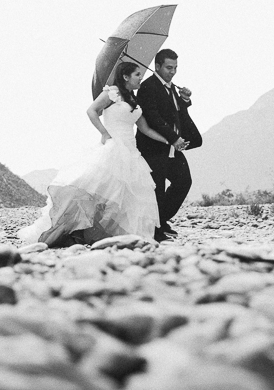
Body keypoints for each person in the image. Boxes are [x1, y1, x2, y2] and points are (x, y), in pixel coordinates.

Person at [18, 62, 169, 247]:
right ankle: (74, 229)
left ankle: (117, 234)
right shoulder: (111, 93)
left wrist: (169, 140)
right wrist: (104, 133)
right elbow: (91, 111)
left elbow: (144, 128)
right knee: (96, 188)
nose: (141, 78)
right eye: (138, 74)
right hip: (113, 146)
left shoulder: (133, 99)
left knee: (125, 195)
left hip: (131, 151)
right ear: (125, 77)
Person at [135, 48, 202, 242]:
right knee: (157, 188)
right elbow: (153, 117)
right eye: (168, 68)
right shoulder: (147, 87)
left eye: (175, 68)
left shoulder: (172, 87)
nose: (172, 72)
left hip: (171, 147)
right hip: (152, 147)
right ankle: (156, 230)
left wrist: (185, 99)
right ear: (157, 66)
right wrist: (173, 138)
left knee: (183, 181)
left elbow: (175, 111)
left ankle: (161, 220)